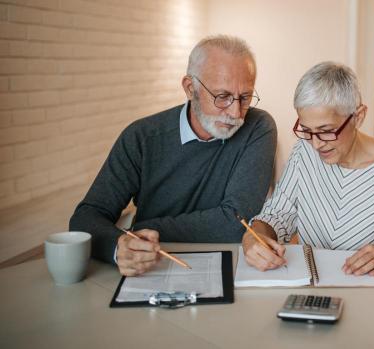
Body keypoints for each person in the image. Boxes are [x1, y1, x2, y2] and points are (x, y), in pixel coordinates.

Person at [69, 35, 277, 276]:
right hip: (152, 268)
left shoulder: (258, 127)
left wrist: (143, 228)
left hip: (230, 267)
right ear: (191, 88)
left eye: (245, 97)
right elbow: (85, 218)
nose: (235, 112)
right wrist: (120, 246)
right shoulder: (141, 137)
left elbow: (236, 223)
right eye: (222, 96)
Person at [242, 62, 374, 276]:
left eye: (326, 131)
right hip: (310, 286)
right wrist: (254, 235)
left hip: (369, 288)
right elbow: (277, 215)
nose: (316, 144)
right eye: (306, 130)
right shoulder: (304, 152)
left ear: (358, 116)